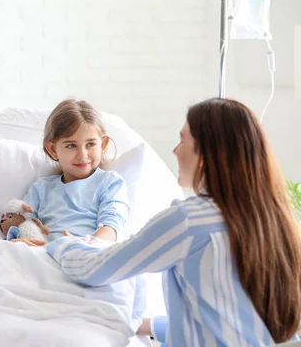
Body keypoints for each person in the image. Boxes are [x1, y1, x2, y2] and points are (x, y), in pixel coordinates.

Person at [46, 98, 301, 345]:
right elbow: (228, 324)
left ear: (207, 152)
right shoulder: (271, 218)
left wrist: (62, 244)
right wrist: (145, 325)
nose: (175, 150)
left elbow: (96, 269)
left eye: (182, 140)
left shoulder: (190, 220)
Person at [11, 99, 130, 246]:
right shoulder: (41, 188)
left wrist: (81, 246)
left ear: (103, 145)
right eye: (71, 145)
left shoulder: (110, 183)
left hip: (88, 253)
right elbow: (22, 225)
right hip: (43, 253)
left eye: (91, 144)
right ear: (53, 150)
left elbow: (111, 227)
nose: (82, 155)